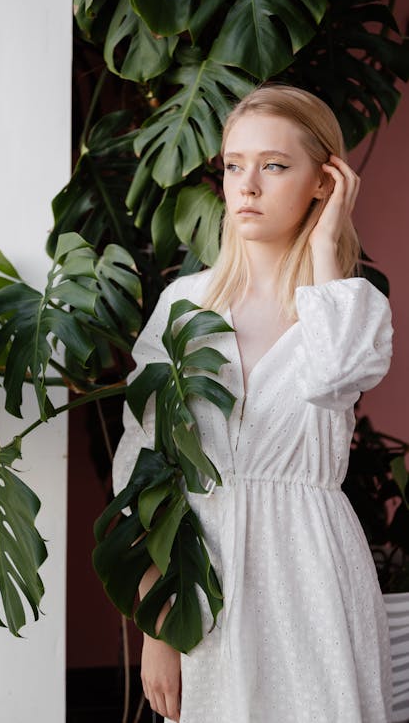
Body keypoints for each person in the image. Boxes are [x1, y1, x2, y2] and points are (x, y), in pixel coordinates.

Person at [112, 84, 393, 723]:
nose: (247, 186)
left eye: (273, 165)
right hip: (203, 579)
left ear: (325, 182)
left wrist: (326, 249)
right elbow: (144, 470)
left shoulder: (353, 306)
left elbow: (335, 378)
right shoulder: (184, 305)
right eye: (234, 165)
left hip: (313, 577)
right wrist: (158, 625)